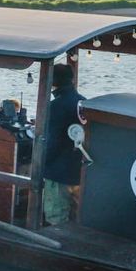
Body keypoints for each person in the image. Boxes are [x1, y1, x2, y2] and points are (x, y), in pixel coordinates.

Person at [41, 62, 87, 226]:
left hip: (58, 172)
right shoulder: (83, 102)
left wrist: (41, 162)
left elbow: (52, 141)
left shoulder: (56, 106)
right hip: (79, 171)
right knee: (77, 216)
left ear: (52, 82)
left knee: (56, 216)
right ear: (72, 80)